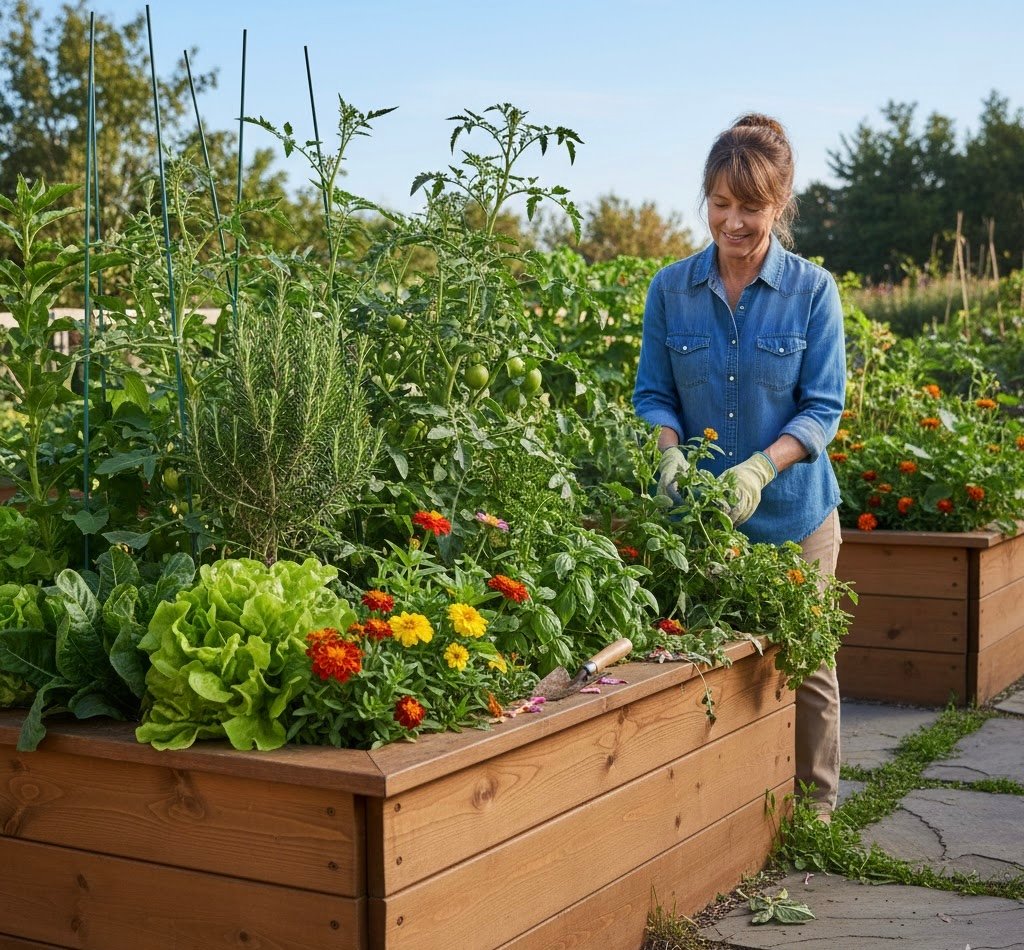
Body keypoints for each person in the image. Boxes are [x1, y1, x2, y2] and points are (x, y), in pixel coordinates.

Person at [632, 113, 846, 821]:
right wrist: (670, 458)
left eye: (750, 207)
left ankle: (815, 815)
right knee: (700, 660)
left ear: (778, 207)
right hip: (701, 522)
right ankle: (714, 819)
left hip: (794, 513)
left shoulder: (812, 293)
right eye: (720, 204)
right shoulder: (672, 289)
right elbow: (655, 394)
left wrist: (759, 467)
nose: (732, 222)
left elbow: (822, 406)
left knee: (806, 661)